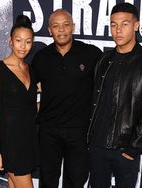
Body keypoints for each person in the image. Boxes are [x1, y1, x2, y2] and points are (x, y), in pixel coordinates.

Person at [87, 3, 142, 188]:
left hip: (125, 149)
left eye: (124, 24)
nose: (118, 30)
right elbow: (95, 102)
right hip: (97, 147)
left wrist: (134, 148)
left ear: (136, 25)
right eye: (113, 25)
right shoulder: (104, 60)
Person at [31, 9, 103, 188]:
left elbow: (103, 90)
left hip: (78, 131)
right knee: (48, 181)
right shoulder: (40, 57)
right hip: (48, 130)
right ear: (49, 30)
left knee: (76, 181)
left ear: (73, 27)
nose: (61, 30)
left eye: (65, 25)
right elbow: (28, 90)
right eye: (56, 26)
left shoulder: (92, 54)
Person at [0, 15, 39, 188]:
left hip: (29, 138)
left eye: (28, 41)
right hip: (10, 140)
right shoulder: (0, 69)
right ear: (11, 41)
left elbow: (31, 106)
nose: (23, 46)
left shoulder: (32, 70)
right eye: (19, 40)